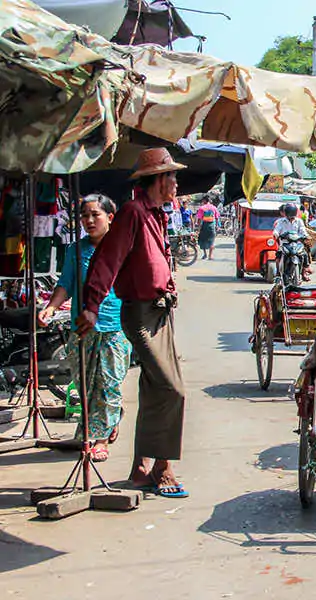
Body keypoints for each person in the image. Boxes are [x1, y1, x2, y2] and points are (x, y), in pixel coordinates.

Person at [78, 147, 189, 499]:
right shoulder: (132, 212)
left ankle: (140, 469)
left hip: (160, 313)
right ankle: (162, 465)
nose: (175, 182)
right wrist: (91, 306)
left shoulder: (157, 215)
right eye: (170, 176)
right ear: (156, 180)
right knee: (172, 389)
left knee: (155, 388)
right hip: (140, 313)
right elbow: (107, 259)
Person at [39, 194, 132, 463]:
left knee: (109, 384)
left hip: (116, 328)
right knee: (85, 385)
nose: (89, 221)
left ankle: (99, 440)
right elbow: (65, 283)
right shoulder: (76, 250)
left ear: (110, 218)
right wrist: (51, 308)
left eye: (95, 215)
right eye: (85, 216)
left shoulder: (125, 249)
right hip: (82, 329)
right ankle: (108, 420)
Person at [195, 195, 220, 260]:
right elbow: (217, 218)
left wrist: (198, 228)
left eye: (203, 200)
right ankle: (210, 255)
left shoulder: (202, 208)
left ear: (204, 200)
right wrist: (217, 226)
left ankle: (205, 254)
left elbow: (199, 219)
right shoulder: (214, 208)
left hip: (204, 226)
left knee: (203, 240)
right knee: (212, 241)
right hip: (212, 226)